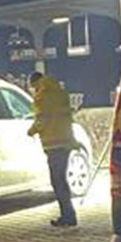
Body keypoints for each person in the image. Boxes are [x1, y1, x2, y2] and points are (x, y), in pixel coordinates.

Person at [28, 71, 79, 227]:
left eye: (32, 87)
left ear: (35, 83)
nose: (33, 90)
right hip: (66, 141)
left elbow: (42, 119)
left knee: (57, 182)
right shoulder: (60, 92)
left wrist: (31, 131)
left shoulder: (42, 97)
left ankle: (68, 216)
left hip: (53, 144)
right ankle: (69, 215)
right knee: (62, 179)